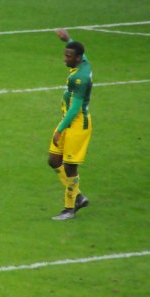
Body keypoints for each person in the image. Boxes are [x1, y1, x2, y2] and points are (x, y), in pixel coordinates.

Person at [47, 28, 93, 221]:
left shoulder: (79, 78)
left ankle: (69, 209)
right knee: (54, 160)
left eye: (68, 56)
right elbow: (83, 54)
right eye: (65, 54)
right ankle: (79, 196)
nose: (65, 58)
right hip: (68, 121)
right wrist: (68, 39)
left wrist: (59, 130)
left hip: (76, 125)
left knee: (70, 167)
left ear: (77, 58)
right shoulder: (84, 64)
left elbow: (75, 108)